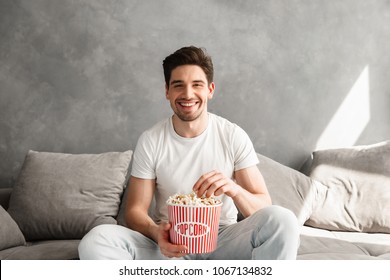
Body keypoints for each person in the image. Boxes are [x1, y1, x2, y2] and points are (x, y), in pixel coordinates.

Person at [78, 46, 300, 260]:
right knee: (97, 240)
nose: (188, 94)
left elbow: (264, 205)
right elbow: (135, 210)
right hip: (168, 242)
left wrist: (234, 189)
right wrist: (157, 233)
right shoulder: (151, 140)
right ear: (167, 91)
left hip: (222, 240)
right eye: (178, 85)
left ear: (210, 90)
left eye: (197, 85)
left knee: (283, 220)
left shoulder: (232, 135)